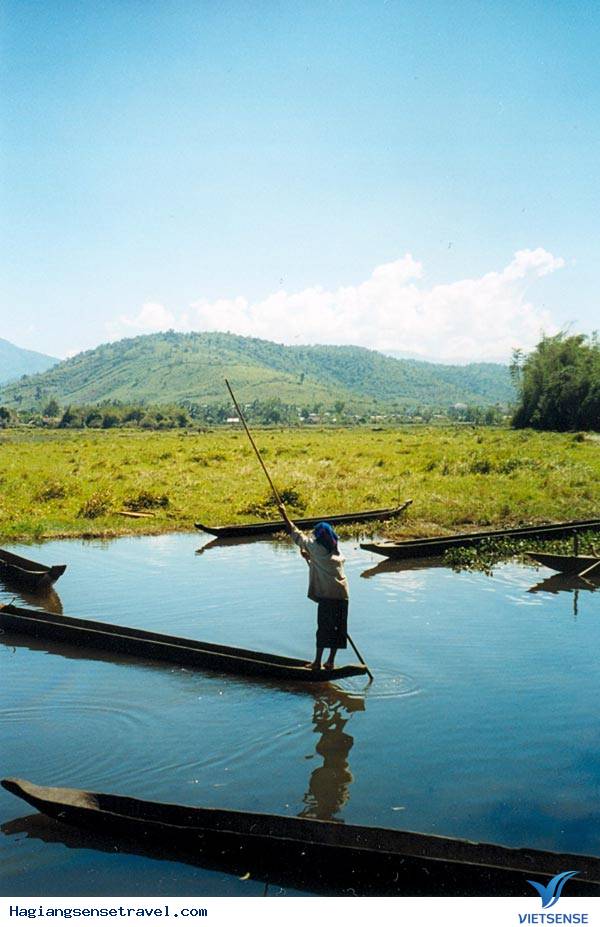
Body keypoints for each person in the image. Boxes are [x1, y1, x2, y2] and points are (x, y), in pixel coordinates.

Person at [278, 502, 349, 670]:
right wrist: (309, 558)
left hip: (328, 597)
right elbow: (323, 566)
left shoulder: (315, 548)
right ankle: (330, 662)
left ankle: (317, 663)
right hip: (343, 595)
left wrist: (284, 514)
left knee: (323, 629)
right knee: (338, 630)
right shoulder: (336, 551)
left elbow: (296, 535)